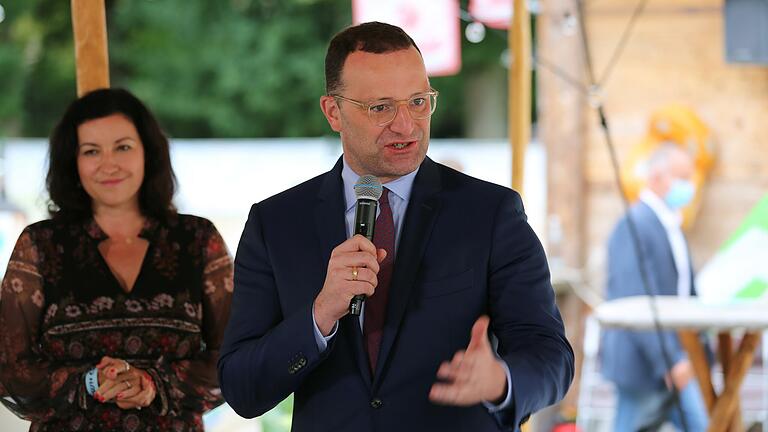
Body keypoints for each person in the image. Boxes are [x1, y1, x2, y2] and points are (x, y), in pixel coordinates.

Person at [218, 22, 573, 431]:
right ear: (333, 112)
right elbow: (241, 388)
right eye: (381, 108)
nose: (406, 125)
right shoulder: (276, 223)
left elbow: (551, 356)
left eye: (419, 102)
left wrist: (501, 380)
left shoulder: (490, 213)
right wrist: (319, 316)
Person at [0, 88, 234, 431]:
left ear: (148, 153)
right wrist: (89, 382)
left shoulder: (198, 240)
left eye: (123, 147)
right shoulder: (39, 244)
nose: (109, 164)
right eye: (91, 151)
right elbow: (9, 368)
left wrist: (153, 383)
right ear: (73, 162)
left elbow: (234, 358)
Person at [601, 143, 708, 431]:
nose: (690, 185)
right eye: (683, 177)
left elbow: (686, 292)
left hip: (676, 358)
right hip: (646, 363)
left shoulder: (670, 224)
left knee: (703, 422)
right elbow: (635, 300)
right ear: (657, 177)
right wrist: (669, 361)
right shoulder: (634, 224)